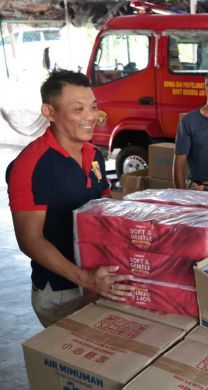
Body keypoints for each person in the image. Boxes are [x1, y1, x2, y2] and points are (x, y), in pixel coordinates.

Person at [6, 69, 132, 328]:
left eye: (93, 107)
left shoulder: (94, 155)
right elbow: (30, 240)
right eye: (78, 109)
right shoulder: (31, 165)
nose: (91, 117)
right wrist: (84, 278)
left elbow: (103, 206)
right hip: (62, 290)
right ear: (49, 112)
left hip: (98, 278)